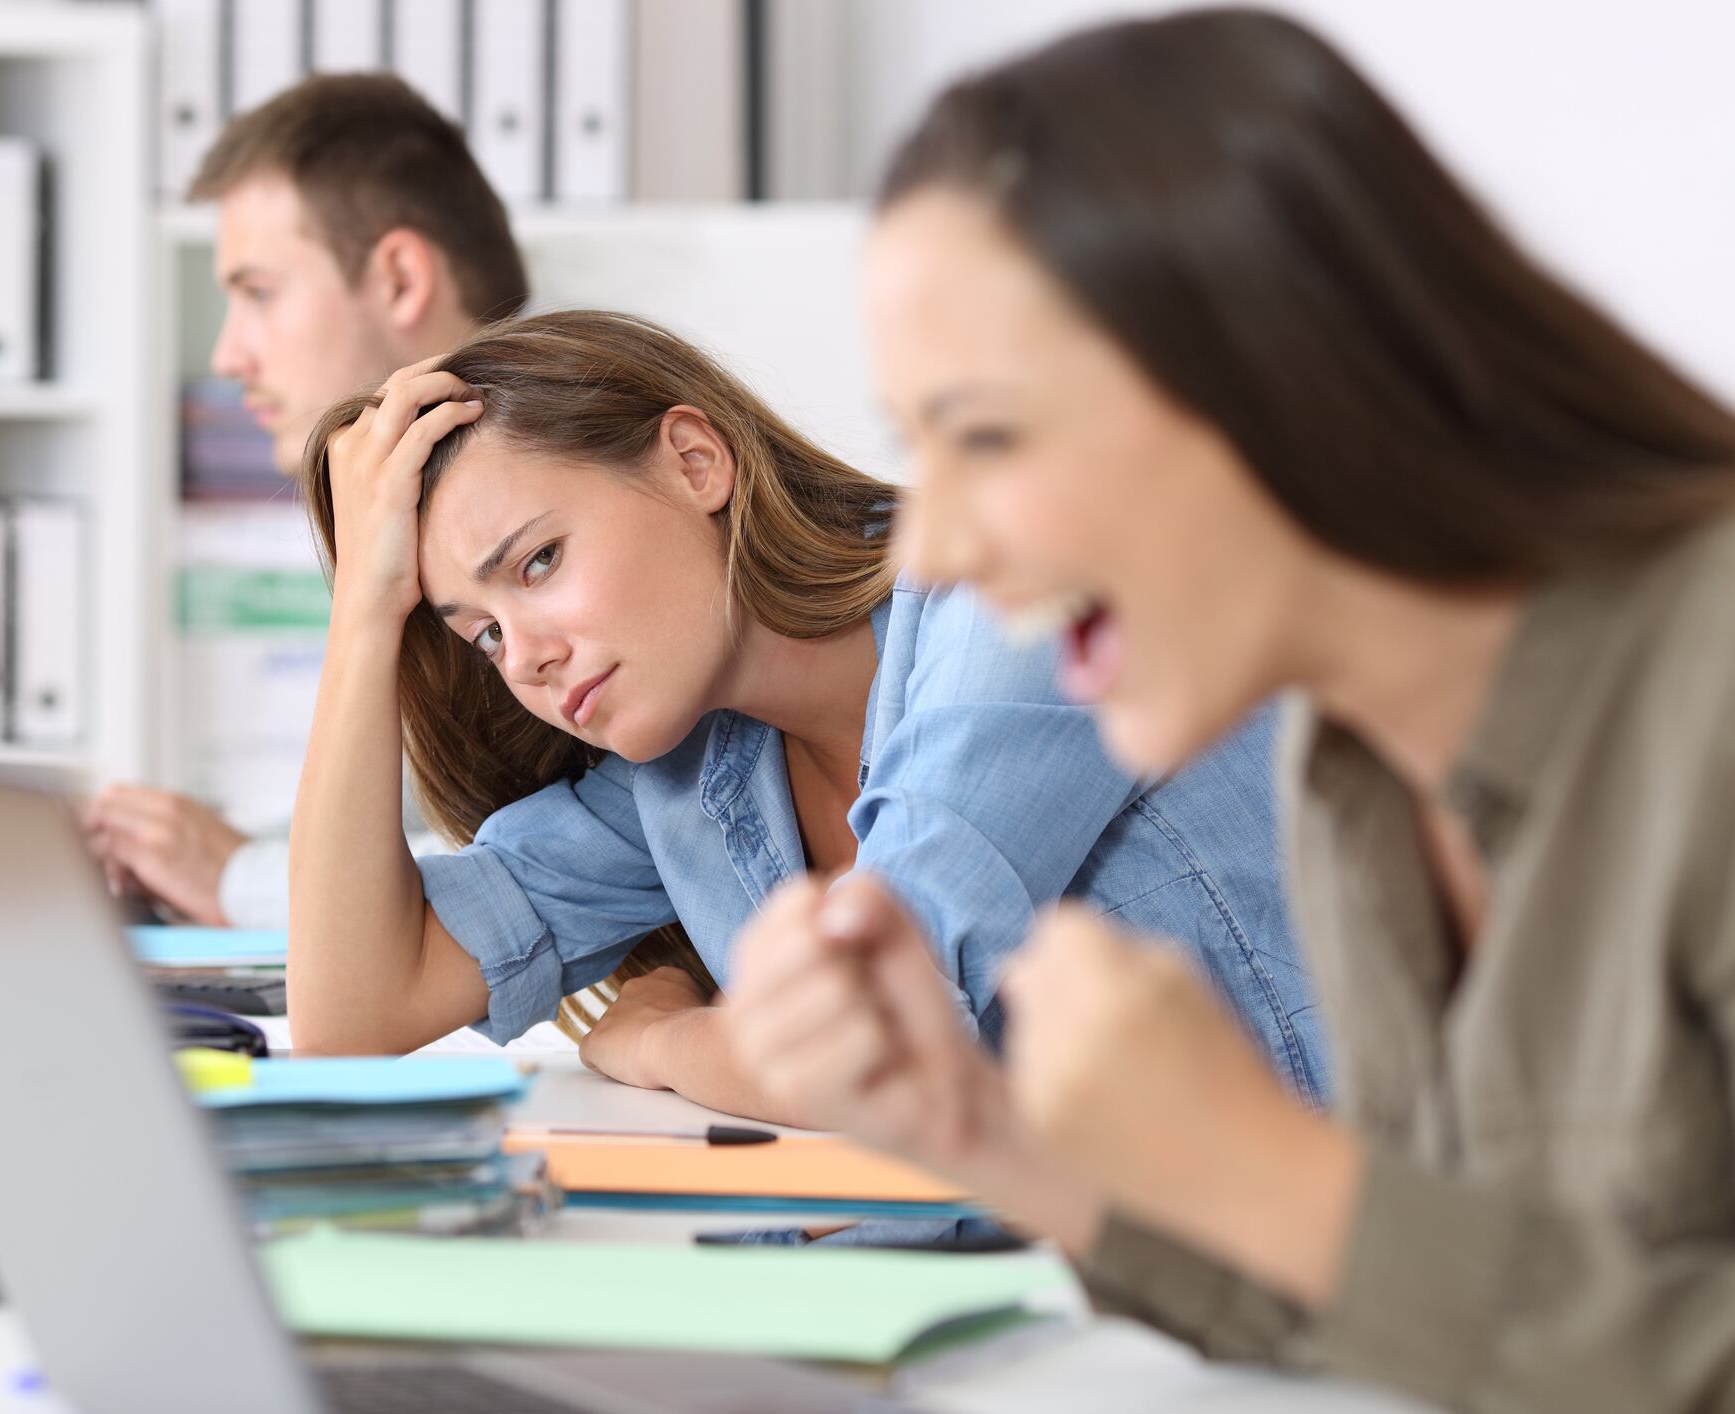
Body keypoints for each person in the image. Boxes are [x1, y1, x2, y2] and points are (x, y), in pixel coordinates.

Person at [724, 10, 1735, 1410]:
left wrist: (1276, 1171)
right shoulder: (1348, 775)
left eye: (991, 435)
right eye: (916, 445)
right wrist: (992, 1139)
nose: (930, 553)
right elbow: (1435, 1332)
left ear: (1277, 371)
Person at [285, 307, 1325, 1123]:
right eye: (483, 635)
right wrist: (364, 618)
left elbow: (876, 1048)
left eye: (540, 562)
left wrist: (660, 1041)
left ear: (696, 462)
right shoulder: (689, 771)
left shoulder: (1013, 598)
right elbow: (352, 1015)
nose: (530, 657)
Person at [84, 73, 530, 927]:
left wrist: (240, 878)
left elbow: (545, 862)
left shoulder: (547, 517)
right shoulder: (410, 508)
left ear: (398, 278)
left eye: (258, 293)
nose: (228, 355)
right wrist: (204, 857)